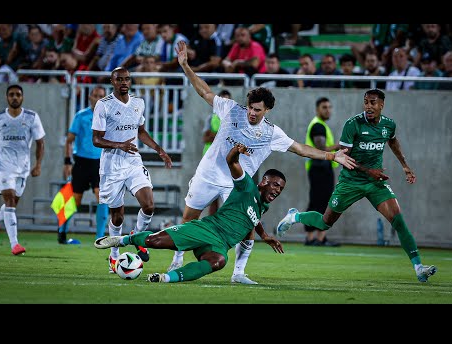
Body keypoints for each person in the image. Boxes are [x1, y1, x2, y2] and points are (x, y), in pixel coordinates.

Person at [167, 41, 356, 284]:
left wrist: (332, 155)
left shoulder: (272, 133)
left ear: (267, 110)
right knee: (189, 218)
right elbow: (204, 91)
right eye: (250, 108)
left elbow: (300, 148)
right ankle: (177, 259)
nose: (251, 113)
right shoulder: (231, 110)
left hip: (237, 184)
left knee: (247, 226)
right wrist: (185, 66)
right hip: (208, 174)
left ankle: (238, 273)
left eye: (257, 109)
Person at [277, 88, 437, 283]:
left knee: (398, 220)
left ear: (382, 105)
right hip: (351, 181)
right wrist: (369, 170)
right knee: (325, 222)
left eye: (373, 103)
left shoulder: (388, 125)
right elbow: (344, 157)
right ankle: (295, 216)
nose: (369, 106)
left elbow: (393, 142)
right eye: (366, 102)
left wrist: (405, 166)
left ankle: (419, 267)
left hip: (375, 183)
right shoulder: (353, 125)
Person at [94, 143, 286, 283]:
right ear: (263, 182)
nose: (277, 190)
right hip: (207, 229)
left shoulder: (262, 207)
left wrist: (265, 236)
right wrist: (236, 151)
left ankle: (165, 278)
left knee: (219, 261)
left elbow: (252, 220)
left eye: (281, 189)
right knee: (155, 242)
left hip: (221, 245)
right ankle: (122, 240)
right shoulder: (247, 186)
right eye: (275, 185)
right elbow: (231, 162)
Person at [91, 67, 172, 274]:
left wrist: (159, 150)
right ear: (113, 82)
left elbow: (141, 132)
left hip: (133, 162)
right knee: (117, 216)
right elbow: (96, 139)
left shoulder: (139, 103)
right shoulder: (104, 105)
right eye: (119, 79)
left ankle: (137, 236)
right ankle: (114, 256)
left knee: (149, 205)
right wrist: (120, 145)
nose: (124, 82)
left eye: (127, 79)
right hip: (111, 166)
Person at [0, 84, 45, 255]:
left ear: (22, 97)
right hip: (3, 165)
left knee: (12, 204)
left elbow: (40, 142)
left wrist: (38, 164)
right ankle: (14, 244)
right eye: (11, 95)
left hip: (23, 167)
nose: (15, 97)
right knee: (10, 201)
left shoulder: (32, 117)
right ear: (7, 98)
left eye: (18, 94)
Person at [60, 85, 108, 244]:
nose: (98, 98)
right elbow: (69, 140)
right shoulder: (81, 116)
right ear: (90, 97)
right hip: (81, 162)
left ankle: (99, 238)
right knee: (75, 200)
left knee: (102, 197)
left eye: (101, 96)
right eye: (95, 95)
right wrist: (67, 162)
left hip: (100, 163)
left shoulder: (109, 117)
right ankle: (62, 231)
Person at [303, 97, 341, 246]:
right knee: (319, 201)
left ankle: (316, 237)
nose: (328, 110)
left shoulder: (320, 125)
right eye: (324, 107)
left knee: (320, 201)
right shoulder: (318, 126)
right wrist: (338, 146)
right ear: (317, 109)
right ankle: (314, 238)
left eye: (329, 107)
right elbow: (321, 149)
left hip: (321, 168)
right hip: (320, 168)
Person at [201, 89, 231, 215]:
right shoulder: (211, 117)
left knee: (228, 195)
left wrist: (216, 135)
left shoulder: (233, 119)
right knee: (213, 195)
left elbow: (230, 139)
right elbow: (206, 137)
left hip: (226, 160)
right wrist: (222, 135)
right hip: (211, 159)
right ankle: (211, 225)